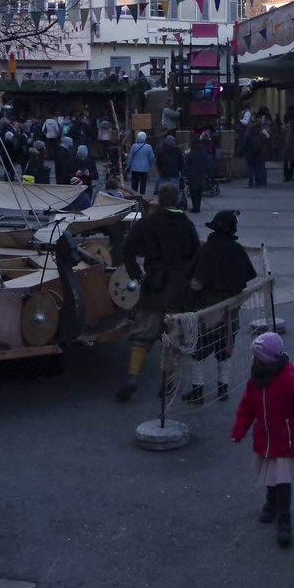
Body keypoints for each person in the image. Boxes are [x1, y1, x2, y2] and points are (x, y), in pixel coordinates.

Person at [232, 331, 294, 548]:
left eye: (255, 357)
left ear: (263, 359)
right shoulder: (255, 380)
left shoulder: (286, 378)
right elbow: (247, 408)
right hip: (265, 436)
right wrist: (238, 431)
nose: (252, 360)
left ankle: (284, 519)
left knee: (282, 479)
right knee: (270, 474)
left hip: (283, 436)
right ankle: (271, 502)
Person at [115, 184, 200, 401]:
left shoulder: (147, 223)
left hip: (154, 286)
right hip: (179, 289)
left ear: (159, 200)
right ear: (178, 199)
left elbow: (127, 248)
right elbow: (196, 256)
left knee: (143, 334)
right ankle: (168, 383)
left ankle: (133, 377)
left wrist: (135, 272)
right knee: (173, 338)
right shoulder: (187, 224)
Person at [185, 208, 258, 403]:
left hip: (206, 313)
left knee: (197, 353)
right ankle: (223, 390)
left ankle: (198, 392)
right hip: (230, 312)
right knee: (224, 352)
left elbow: (195, 281)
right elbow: (248, 276)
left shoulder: (207, 249)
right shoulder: (237, 249)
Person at [182, 135, 212, 214]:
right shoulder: (202, 152)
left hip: (192, 174)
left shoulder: (192, 152)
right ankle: (198, 205)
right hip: (201, 173)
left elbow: (187, 163)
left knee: (192, 191)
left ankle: (195, 206)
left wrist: (184, 173)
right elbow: (206, 162)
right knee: (199, 191)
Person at [127, 131, 155, 196]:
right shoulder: (148, 147)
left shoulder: (134, 146)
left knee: (134, 183)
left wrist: (128, 166)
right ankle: (142, 195)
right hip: (144, 167)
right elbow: (152, 157)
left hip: (134, 167)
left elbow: (130, 157)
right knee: (143, 183)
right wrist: (149, 164)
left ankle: (134, 195)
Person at [244, 123, 269, 187]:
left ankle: (250, 182)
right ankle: (259, 182)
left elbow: (244, 145)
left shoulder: (248, 135)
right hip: (259, 154)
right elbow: (264, 144)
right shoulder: (261, 135)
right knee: (258, 169)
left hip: (250, 154)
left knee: (250, 170)